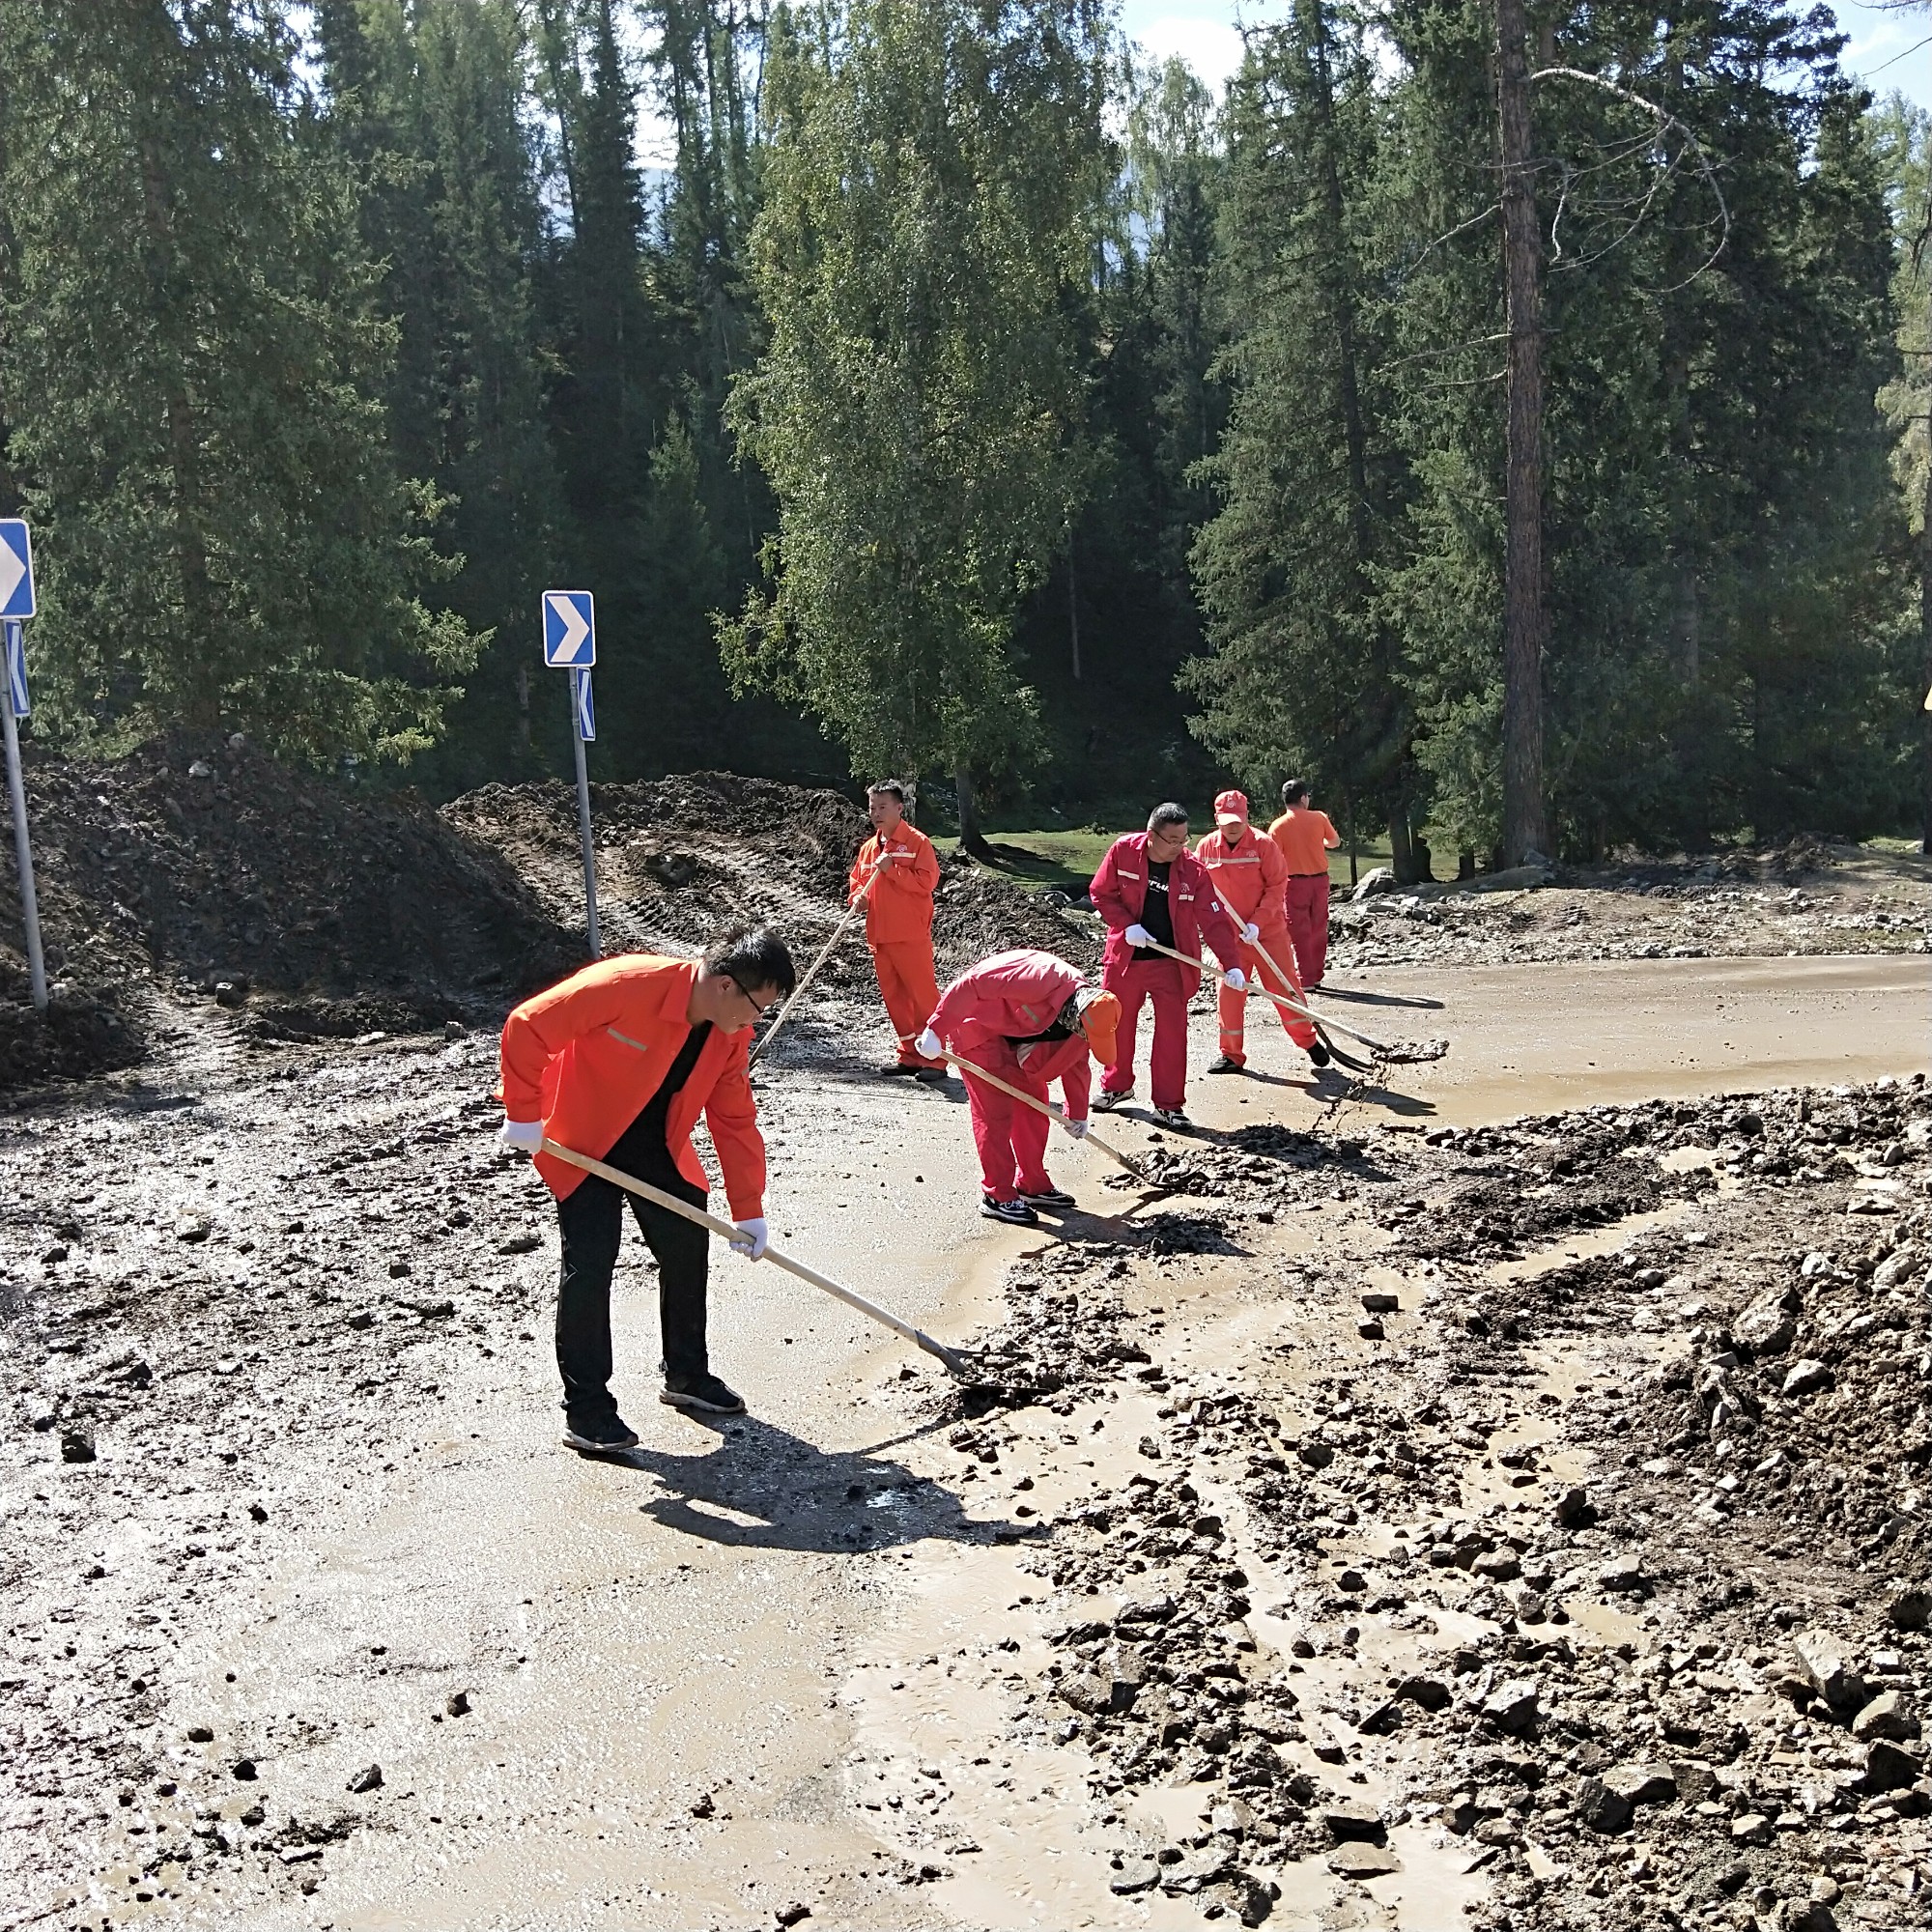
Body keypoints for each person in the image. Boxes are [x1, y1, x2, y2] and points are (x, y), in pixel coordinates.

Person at [496, 928, 797, 1451]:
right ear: (725, 985)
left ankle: (686, 1374)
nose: (756, 1022)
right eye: (757, 1008)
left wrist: (749, 1209)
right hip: (582, 1145)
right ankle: (587, 1409)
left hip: (658, 1146)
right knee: (590, 1265)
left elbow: (733, 1118)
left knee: (686, 1246)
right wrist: (523, 1113)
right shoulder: (624, 984)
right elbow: (528, 1025)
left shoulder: (728, 1031)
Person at [916, 950, 1121, 1225]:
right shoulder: (1038, 978)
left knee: (1034, 1104)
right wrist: (936, 1029)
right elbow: (971, 984)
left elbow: (1076, 1061)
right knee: (994, 1113)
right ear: (1077, 1018)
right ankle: (997, 1195)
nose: (1085, 1038)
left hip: (1015, 1035)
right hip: (976, 1027)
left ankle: (1032, 1184)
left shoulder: (1087, 1012)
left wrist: (1078, 1114)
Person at [1089, 803, 1247, 1128]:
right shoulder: (1123, 852)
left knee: (1172, 1035)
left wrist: (1231, 964)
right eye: (1172, 840)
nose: (1178, 847)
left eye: (1183, 840)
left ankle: (1169, 1105)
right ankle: (1117, 1086)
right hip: (1127, 958)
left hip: (1172, 962)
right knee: (1117, 1025)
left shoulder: (1193, 870)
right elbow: (1101, 893)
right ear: (1151, 835)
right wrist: (1125, 926)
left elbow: (1214, 921)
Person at [1196, 789, 1331, 1075]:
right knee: (1229, 993)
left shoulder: (1263, 846)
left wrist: (1257, 922)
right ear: (1217, 819)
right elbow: (1200, 890)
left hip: (1267, 933)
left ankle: (1307, 1041)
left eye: (1239, 820)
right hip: (1231, 938)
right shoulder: (1206, 848)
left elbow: (1277, 887)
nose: (1233, 826)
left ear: (1247, 817)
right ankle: (1231, 1054)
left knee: (1285, 989)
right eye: (1227, 820)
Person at [848, 781, 945, 1079]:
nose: (876, 813)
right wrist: (857, 899)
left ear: (899, 808)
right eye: (872, 807)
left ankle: (936, 1061)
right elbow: (857, 883)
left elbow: (927, 883)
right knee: (895, 1000)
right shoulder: (868, 849)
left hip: (910, 936)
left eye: (882, 807)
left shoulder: (918, 843)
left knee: (923, 998)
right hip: (879, 937)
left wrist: (894, 870)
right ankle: (910, 1056)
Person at [1267, 780, 1341, 991]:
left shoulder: (1278, 826)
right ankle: (1317, 975)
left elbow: (1275, 859)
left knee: (1299, 931)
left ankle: (1306, 978)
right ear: (1302, 798)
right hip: (1319, 880)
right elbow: (1335, 842)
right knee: (1319, 927)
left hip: (1293, 883)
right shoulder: (1319, 818)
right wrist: (1321, 843)